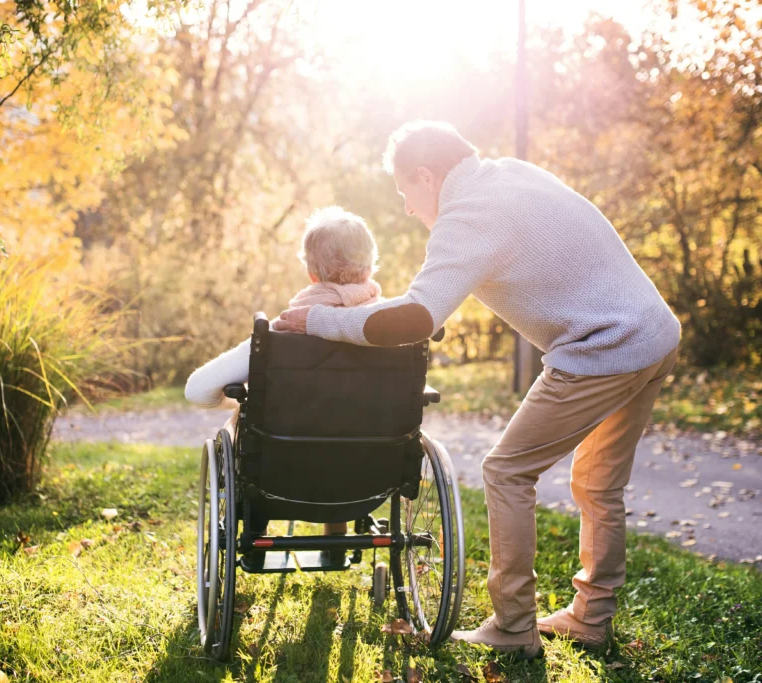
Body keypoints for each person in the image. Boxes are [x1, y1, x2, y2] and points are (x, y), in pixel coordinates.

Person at [273, 121, 681, 658]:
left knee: (507, 470)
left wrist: (317, 321)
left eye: (406, 193)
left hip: (603, 348)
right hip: (655, 334)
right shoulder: (512, 176)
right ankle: (591, 618)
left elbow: (415, 317)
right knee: (599, 483)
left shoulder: (466, 217)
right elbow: (425, 306)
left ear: (426, 175)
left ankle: (514, 626)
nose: (408, 209)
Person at [185, 205, 382, 563]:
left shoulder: (278, 333)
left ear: (311, 274)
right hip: (370, 477)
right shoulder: (393, 333)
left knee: (250, 429)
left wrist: (238, 402)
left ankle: (255, 539)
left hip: (281, 475)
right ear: (369, 268)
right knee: (340, 433)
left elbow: (196, 389)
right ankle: (333, 548)